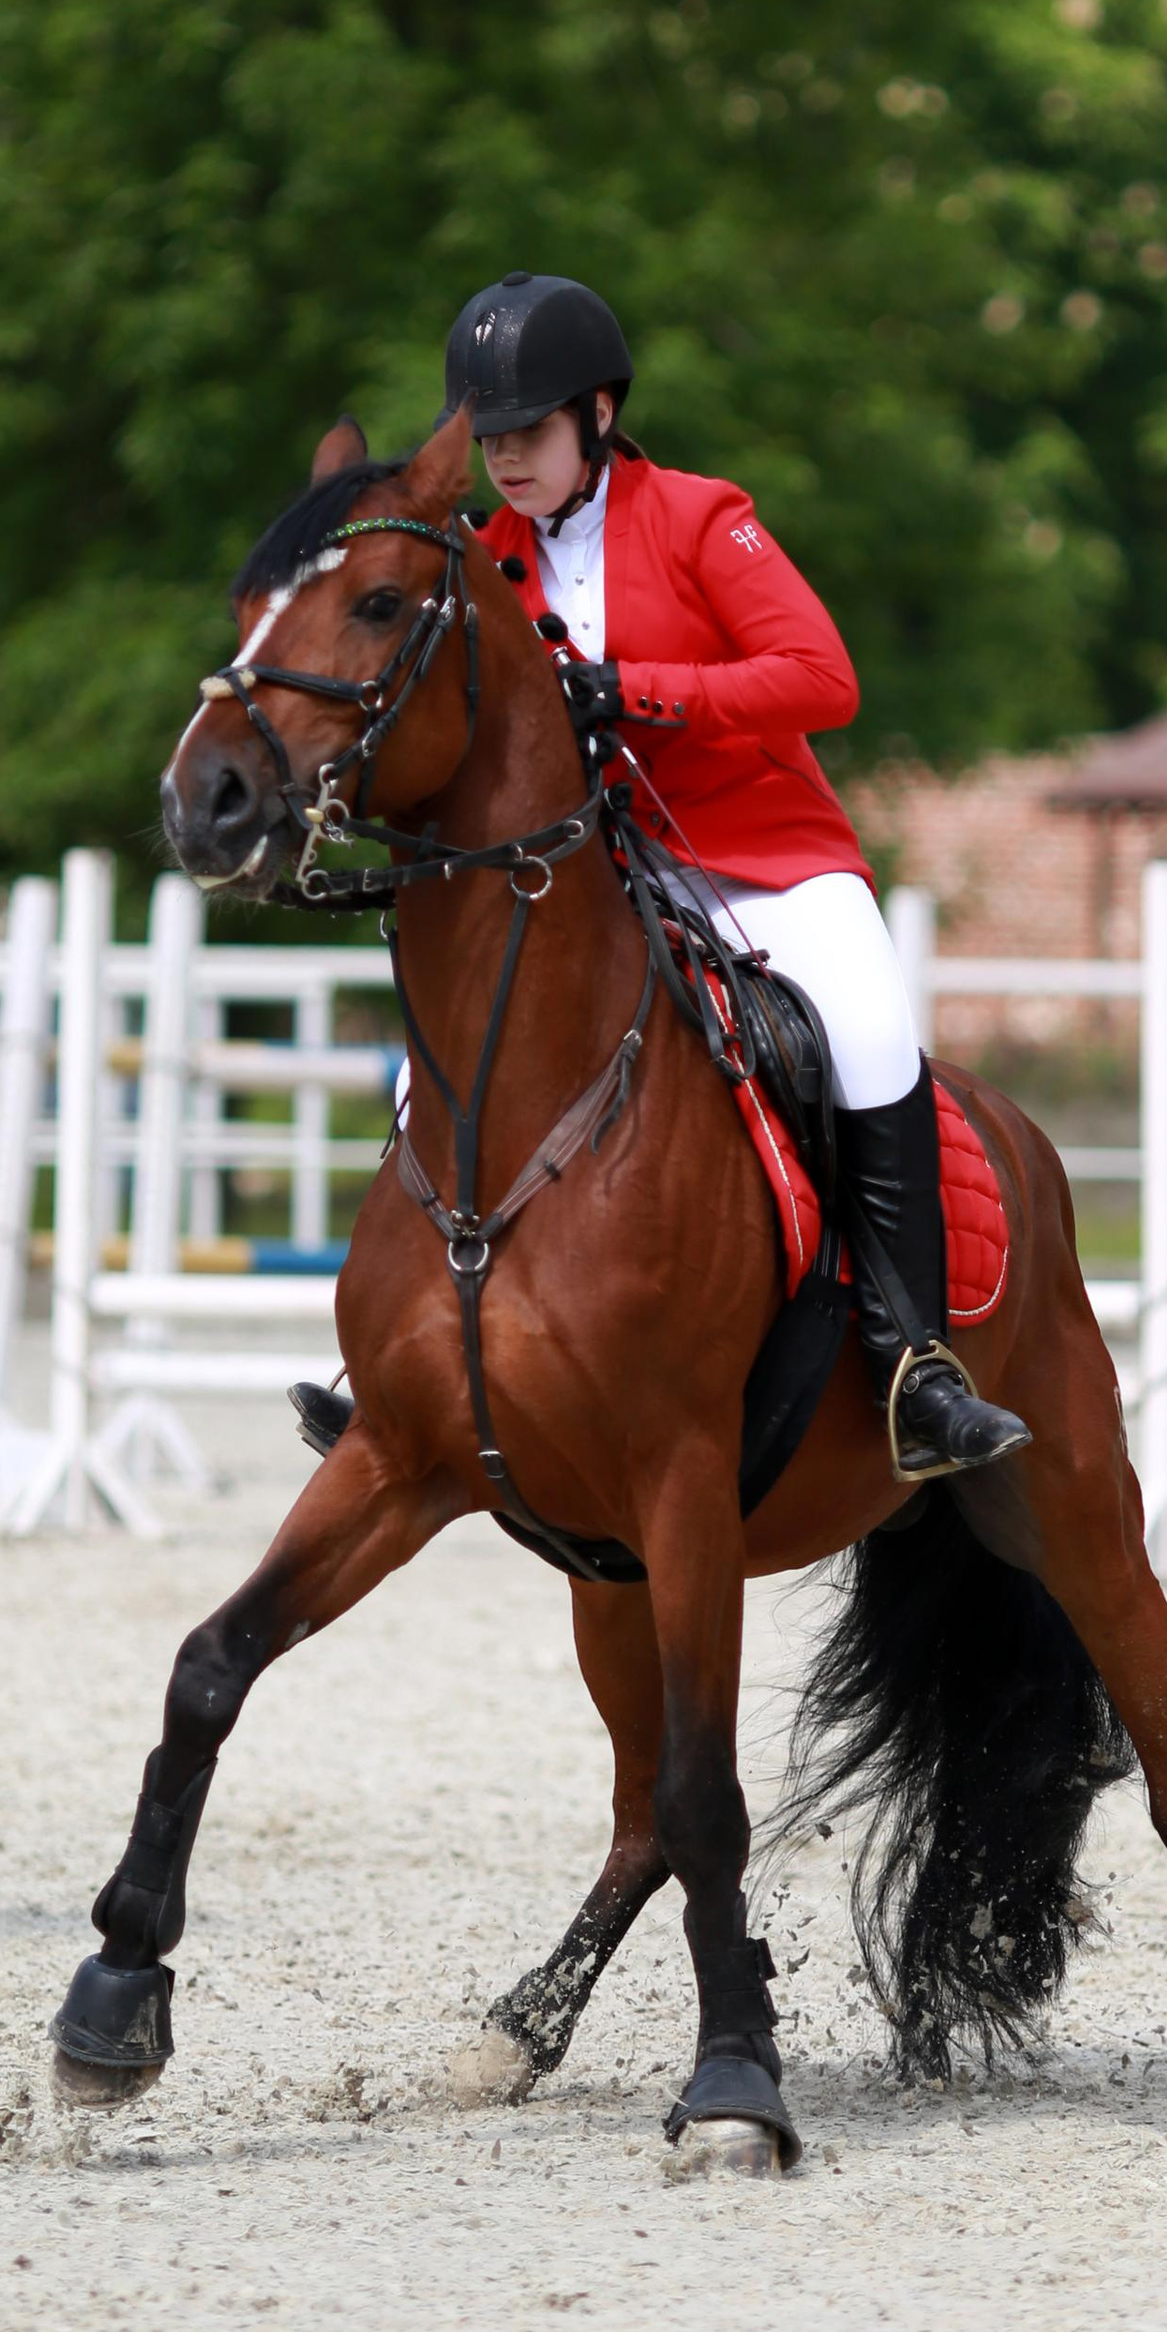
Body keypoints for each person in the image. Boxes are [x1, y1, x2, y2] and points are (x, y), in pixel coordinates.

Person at [297, 272, 1027, 1487]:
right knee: (458, 1051)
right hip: (600, 873)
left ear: (597, 414)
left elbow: (821, 679)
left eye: (528, 433)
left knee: (866, 1032)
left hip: (762, 861)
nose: (505, 460)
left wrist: (639, 689)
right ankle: (402, 1353)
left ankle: (915, 1364)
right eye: (488, 439)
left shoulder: (698, 519)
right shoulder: (478, 557)